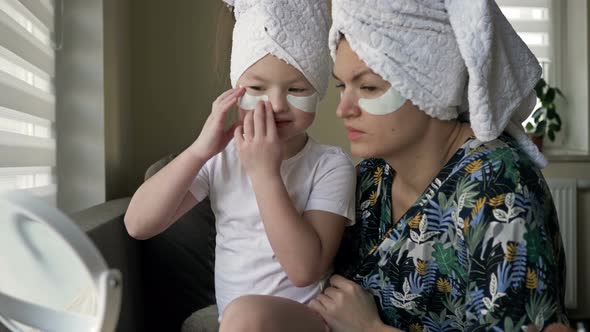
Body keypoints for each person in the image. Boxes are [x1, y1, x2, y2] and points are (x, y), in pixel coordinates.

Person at [306, 1, 570, 331]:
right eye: (343, 86)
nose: (343, 109)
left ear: (429, 84)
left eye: (369, 87)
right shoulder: (371, 178)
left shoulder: (498, 188)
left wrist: (371, 329)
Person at [124, 0, 355, 330]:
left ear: (316, 90)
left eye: (296, 89)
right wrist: (198, 153)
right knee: (241, 316)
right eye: (258, 88)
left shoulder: (330, 165)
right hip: (235, 323)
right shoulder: (221, 159)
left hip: (305, 320)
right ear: (236, 92)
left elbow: (305, 271)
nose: (276, 104)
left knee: (247, 314)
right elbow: (137, 225)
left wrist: (265, 173)